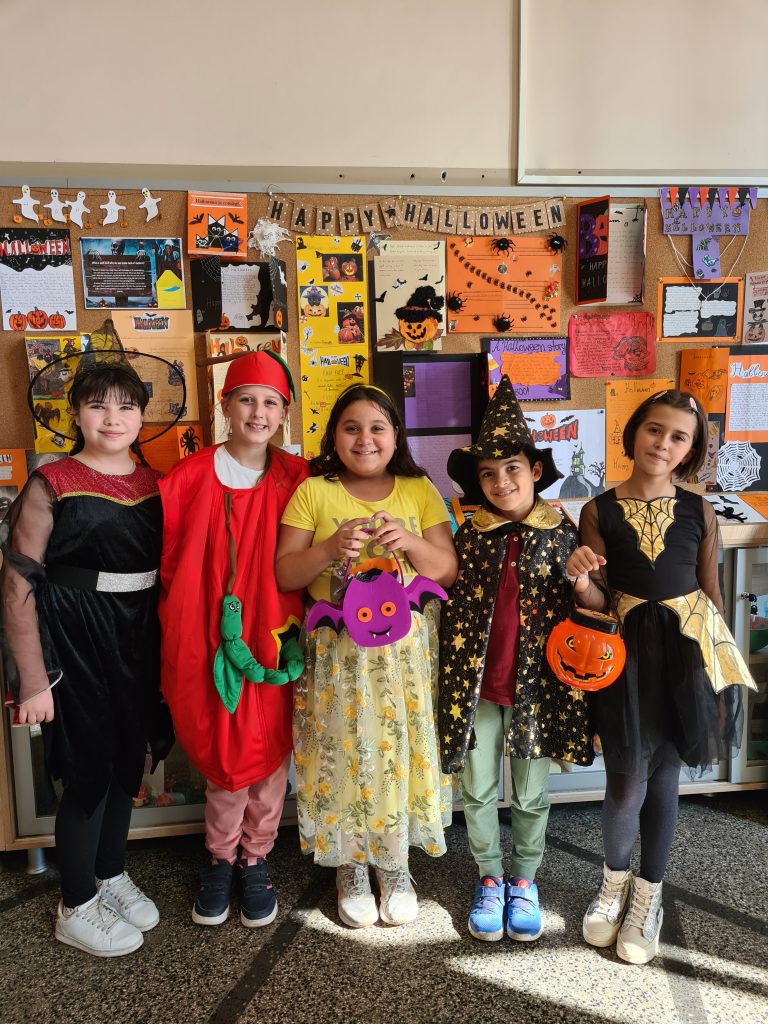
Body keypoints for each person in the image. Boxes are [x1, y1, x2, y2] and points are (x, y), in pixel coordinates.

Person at [566, 389, 755, 965]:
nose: (663, 444)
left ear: (691, 451)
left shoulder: (700, 511)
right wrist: (580, 580)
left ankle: (649, 894)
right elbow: (598, 601)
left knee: (666, 777)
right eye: (654, 430)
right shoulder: (598, 510)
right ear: (634, 434)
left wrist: (717, 675)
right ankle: (613, 884)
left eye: (678, 437)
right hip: (625, 658)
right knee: (626, 781)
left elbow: (712, 595)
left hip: (685, 656)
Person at [1, 358, 174, 957]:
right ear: (76, 414)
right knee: (88, 770)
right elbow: (18, 581)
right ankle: (75, 903)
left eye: (126, 406)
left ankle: (110, 873)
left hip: (138, 636)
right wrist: (32, 679)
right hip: (74, 636)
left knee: (129, 760)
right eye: (98, 405)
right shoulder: (51, 482)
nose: (112, 418)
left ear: (142, 416)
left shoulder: (159, 483)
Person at [275, 383, 457, 928]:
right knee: (344, 750)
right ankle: (351, 865)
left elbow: (446, 569)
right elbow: (286, 573)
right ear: (333, 436)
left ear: (396, 435)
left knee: (397, 751)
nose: (365, 439)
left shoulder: (418, 489)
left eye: (378, 427)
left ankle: (395, 864)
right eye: (351, 427)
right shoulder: (314, 492)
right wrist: (329, 549)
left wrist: (410, 542)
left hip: (404, 655)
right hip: (337, 653)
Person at [438, 376, 593, 944]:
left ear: (534, 470)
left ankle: (524, 880)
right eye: (488, 473)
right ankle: (489, 877)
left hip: (537, 688)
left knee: (529, 793)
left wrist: (582, 581)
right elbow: (446, 599)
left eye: (512, 468)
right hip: (477, 684)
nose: (501, 481)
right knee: (477, 790)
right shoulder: (469, 536)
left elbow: (592, 607)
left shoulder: (561, 533)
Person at [159, 351, 308, 928]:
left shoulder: (298, 478)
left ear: (284, 413)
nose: (258, 412)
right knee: (223, 749)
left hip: (273, 634)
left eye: (270, 402)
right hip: (203, 633)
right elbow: (168, 565)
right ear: (225, 405)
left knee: (269, 747)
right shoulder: (186, 478)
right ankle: (220, 858)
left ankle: (257, 857)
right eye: (246, 399)